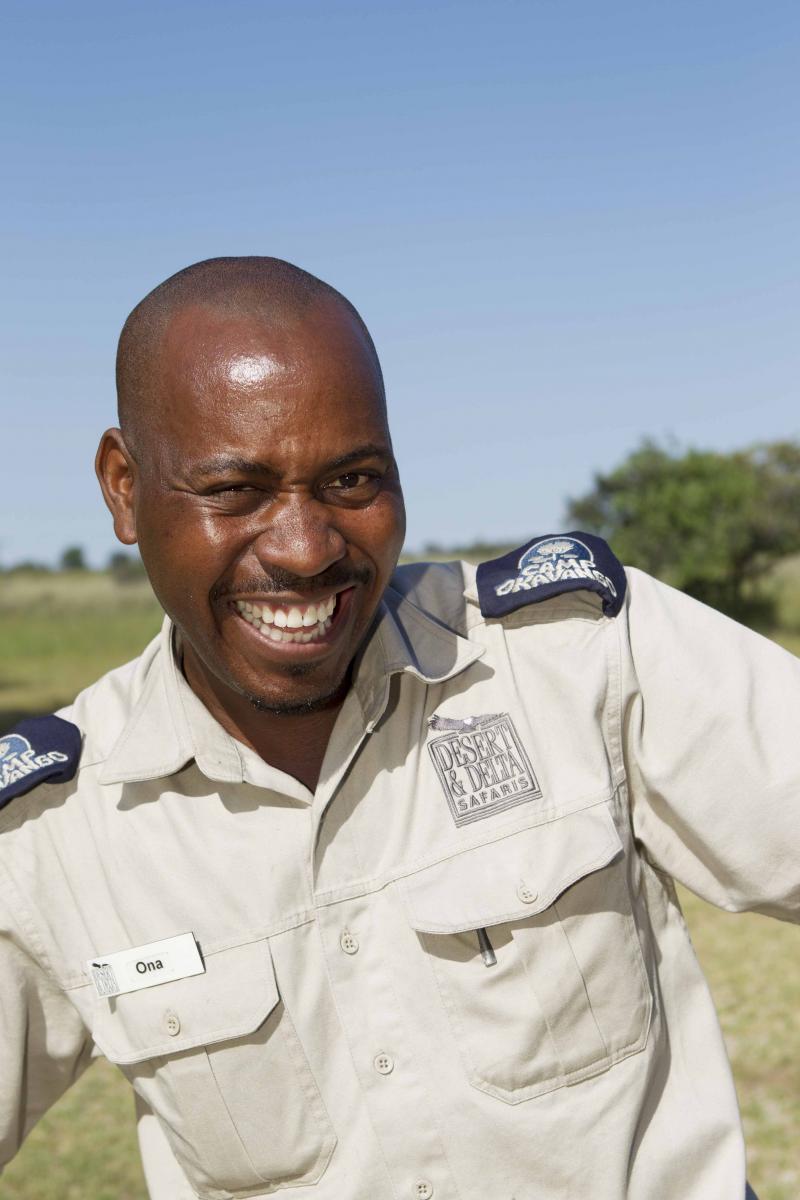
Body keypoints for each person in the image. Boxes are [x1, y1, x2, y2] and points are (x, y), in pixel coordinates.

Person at [0, 257, 793, 1200]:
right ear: (125, 487)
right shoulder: (49, 832)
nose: (305, 549)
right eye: (236, 490)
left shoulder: (577, 655)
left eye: (352, 479)